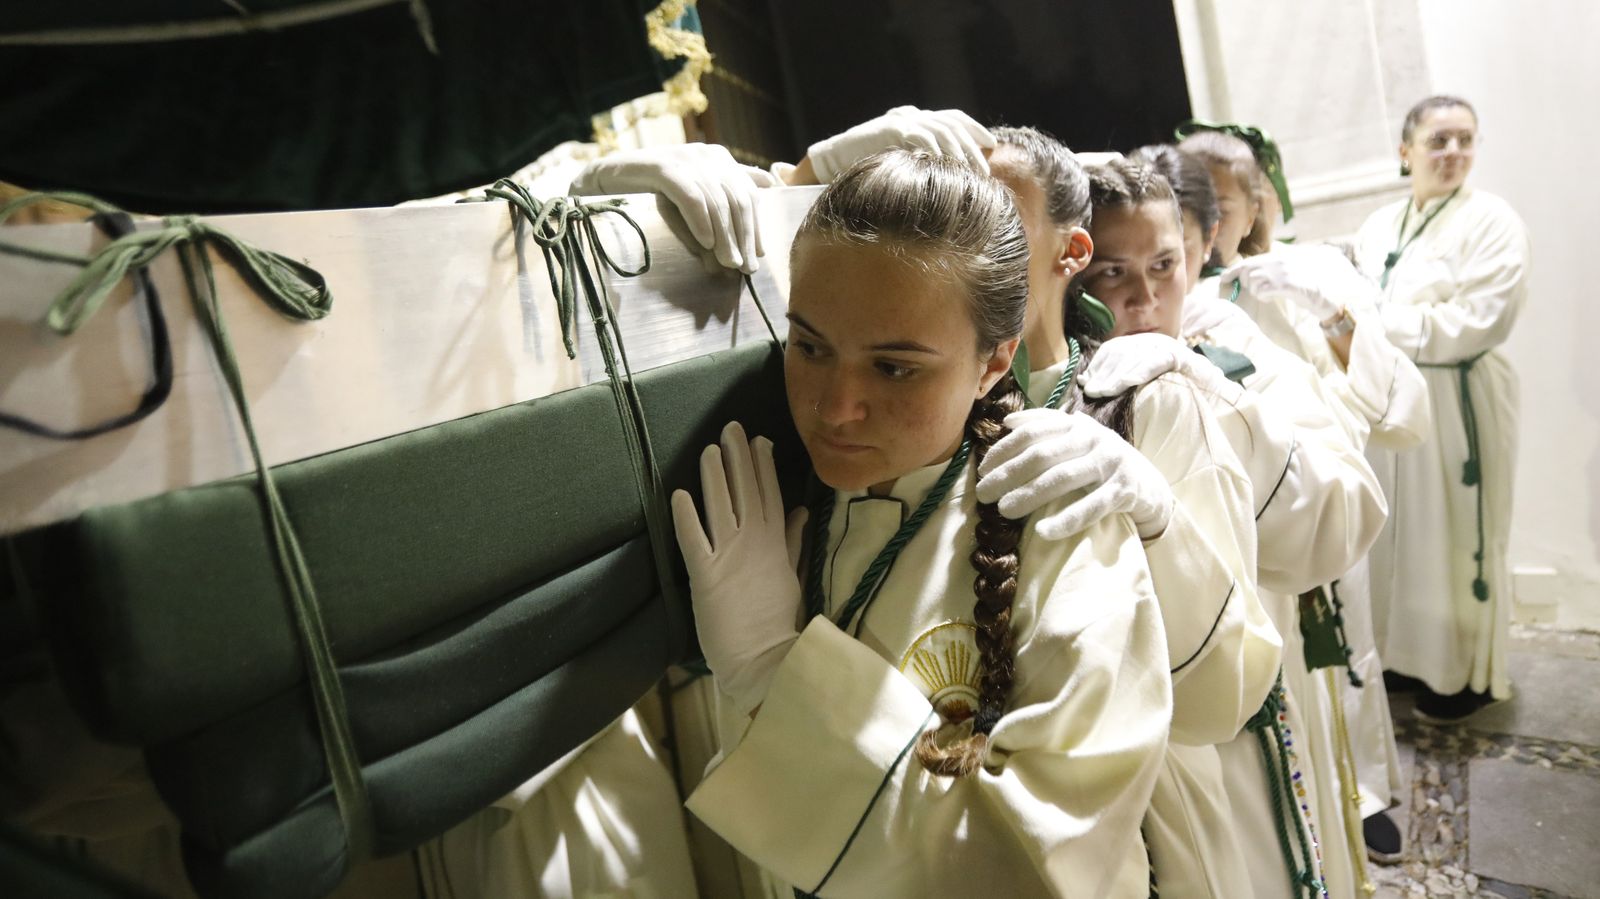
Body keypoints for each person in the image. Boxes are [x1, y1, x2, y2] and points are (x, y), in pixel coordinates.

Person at [673, 149, 1171, 897]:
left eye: (895, 367)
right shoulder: (770, 514)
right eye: (810, 346)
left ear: (995, 361)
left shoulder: (1064, 535)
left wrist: (776, 675)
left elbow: (1036, 868)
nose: (836, 407)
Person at [1001, 157, 1388, 899]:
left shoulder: (1231, 354)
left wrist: (1220, 410)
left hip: (1249, 680)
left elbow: (1347, 516)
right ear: (1073, 269)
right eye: (1115, 274)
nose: (1146, 297)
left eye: (1166, 264)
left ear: (1195, 251)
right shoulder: (1058, 388)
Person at [978, 127, 1278, 899]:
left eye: (1000, 219)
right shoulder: (933, 398)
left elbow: (1228, 683)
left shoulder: (1149, 394)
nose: (972, 243)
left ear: (1066, 252)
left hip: (1155, 803)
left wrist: (1157, 518)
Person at [1148, 134, 1433, 863]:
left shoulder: (1304, 272)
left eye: (1222, 202)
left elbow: (1398, 409)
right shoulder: (1182, 301)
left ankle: (1362, 793)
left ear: (1248, 208)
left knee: (1348, 660)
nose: (1204, 225)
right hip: (1258, 527)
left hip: (1323, 491)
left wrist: (1331, 313)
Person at [1352, 96, 1530, 723]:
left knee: (1456, 536)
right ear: (1406, 151)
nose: (1453, 152)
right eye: (1438, 140)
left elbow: (1481, 319)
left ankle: (1462, 676)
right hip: (1393, 398)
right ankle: (1407, 658)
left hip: (1458, 400)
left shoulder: (1494, 221)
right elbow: (1356, 300)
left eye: (1465, 140)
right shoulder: (1379, 226)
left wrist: (1376, 324)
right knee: (1401, 537)